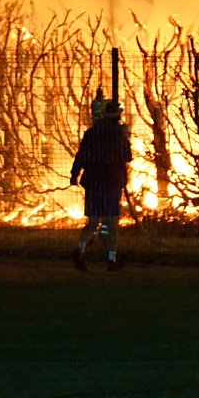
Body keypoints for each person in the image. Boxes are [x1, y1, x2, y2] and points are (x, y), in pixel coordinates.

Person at [70, 98, 131, 272]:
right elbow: (128, 156)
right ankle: (111, 259)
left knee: (93, 221)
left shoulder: (92, 133)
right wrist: (125, 137)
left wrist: (75, 174)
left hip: (93, 181)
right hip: (112, 181)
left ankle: (80, 249)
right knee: (111, 223)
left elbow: (81, 155)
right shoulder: (119, 135)